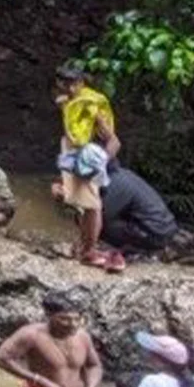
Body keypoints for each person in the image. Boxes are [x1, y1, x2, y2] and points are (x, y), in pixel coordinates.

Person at [0, 293, 104, 387]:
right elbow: (1, 359)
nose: (73, 325)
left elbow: (94, 366)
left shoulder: (83, 337)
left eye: (77, 319)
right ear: (49, 315)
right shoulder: (31, 335)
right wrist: (41, 380)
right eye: (64, 319)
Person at [54, 66, 122, 268]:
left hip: (89, 159)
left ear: (82, 84)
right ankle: (83, 246)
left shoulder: (91, 106)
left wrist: (98, 164)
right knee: (79, 205)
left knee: (92, 206)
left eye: (74, 84)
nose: (70, 88)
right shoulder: (67, 103)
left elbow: (114, 142)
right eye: (65, 84)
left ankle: (90, 250)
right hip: (74, 156)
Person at [101, 165, 179, 260]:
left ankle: (136, 250)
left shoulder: (115, 182)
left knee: (98, 224)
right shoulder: (123, 174)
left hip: (154, 233)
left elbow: (104, 214)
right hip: (163, 228)